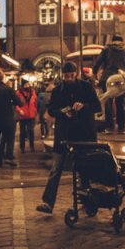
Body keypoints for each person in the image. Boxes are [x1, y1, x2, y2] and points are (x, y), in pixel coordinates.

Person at [36, 62, 102, 214]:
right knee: (55, 169)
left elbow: (97, 106)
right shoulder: (58, 90)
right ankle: (47, 203)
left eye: (71, 76)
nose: (69, 79)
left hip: (83, 135)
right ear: (62, 75)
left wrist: (83, 106)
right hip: (64, 134)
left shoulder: (86, 87)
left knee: (84, 169)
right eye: (66, 76)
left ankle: (87, 201)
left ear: (76, 73)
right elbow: (51, 110)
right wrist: (64, 111)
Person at [93, 35, 125, 132]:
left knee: (108, 103)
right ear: (122, 41)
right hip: (120, 79)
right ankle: (121, 127)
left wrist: (94, 72)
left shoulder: (107, 49)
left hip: (107, 78)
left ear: (112, 41)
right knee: (120, 103)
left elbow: (98, 61)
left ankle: (109, 126)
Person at [15, 80, 38, 153]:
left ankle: (32, 146)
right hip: (23, 115)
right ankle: (22, 147)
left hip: (31, 114)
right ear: (22, 85)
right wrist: (18, 110)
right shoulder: (18, 92)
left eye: (28, 84)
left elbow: (35, 102)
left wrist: (35, 111)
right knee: (22, 132)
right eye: (25, 85)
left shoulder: (32, 91)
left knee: (31, 131)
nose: (27, 86)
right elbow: (16, 103)